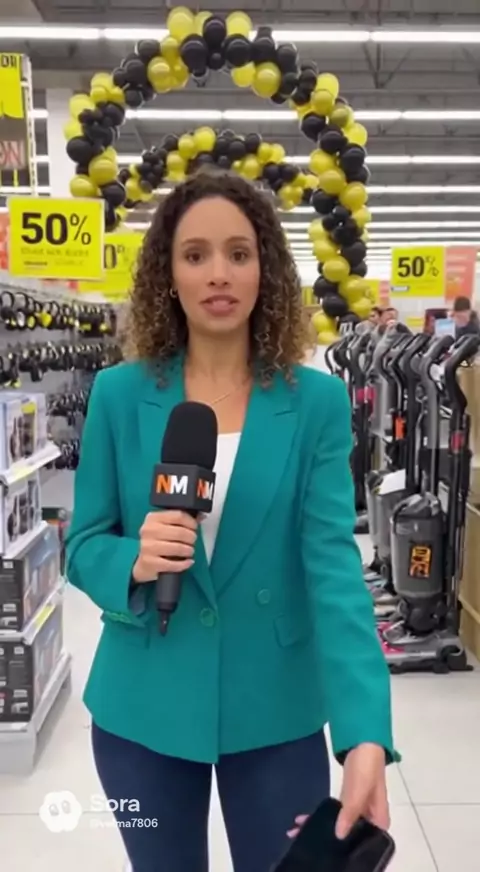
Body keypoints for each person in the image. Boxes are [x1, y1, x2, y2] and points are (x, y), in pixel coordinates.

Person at [66, 169, 395, 872]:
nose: (219, 273)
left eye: (239, 253)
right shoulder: (119, 395)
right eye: (196, 255)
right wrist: (134, 560)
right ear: (168, 275)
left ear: (265, 270)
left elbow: (335, 570)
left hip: (275, 711)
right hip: (141, 712)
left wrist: (365, 730)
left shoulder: (316, 403)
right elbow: (84, 543)